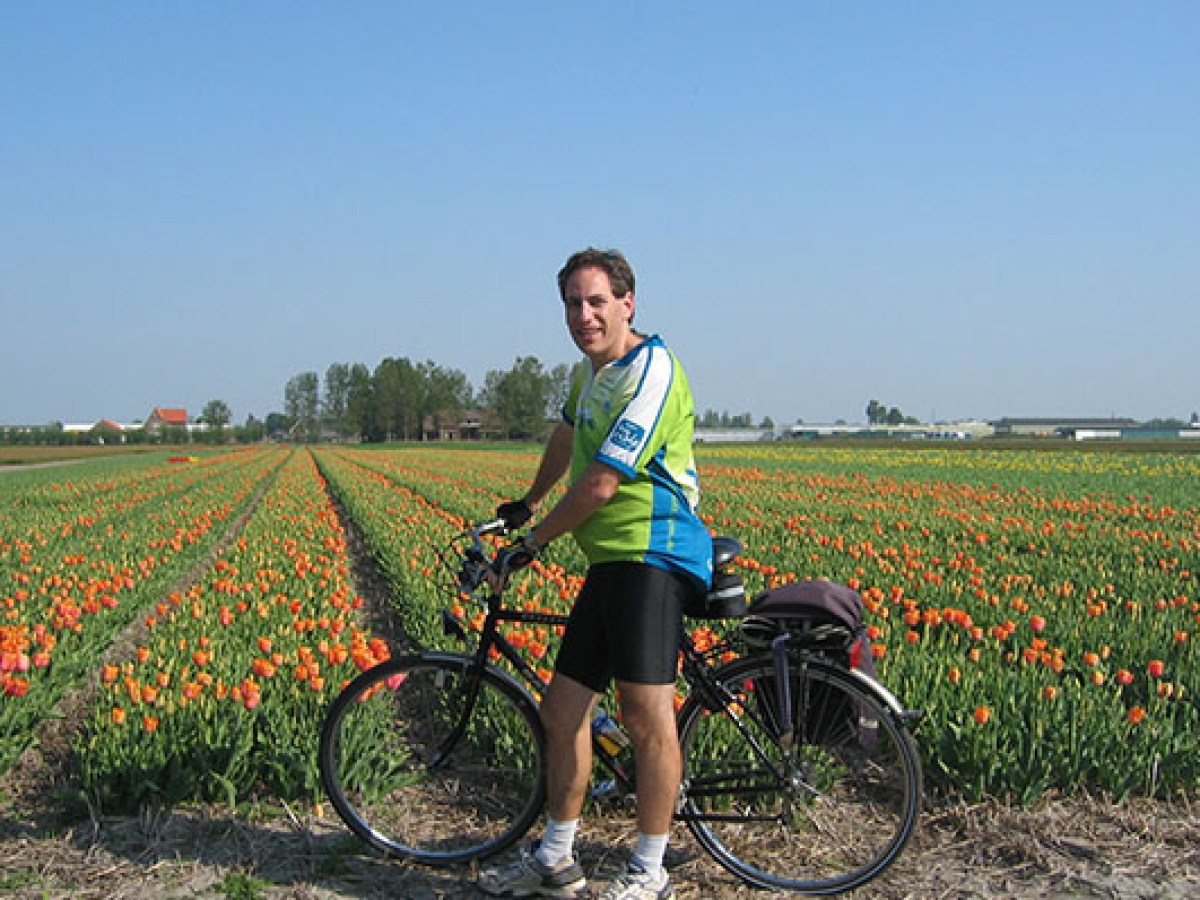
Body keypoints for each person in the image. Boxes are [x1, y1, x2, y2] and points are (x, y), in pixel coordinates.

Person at [478, 248, 712, 900]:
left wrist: (534, 543)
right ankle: (555, 858)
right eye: (573, 304)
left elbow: (603, 482)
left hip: (653, 556)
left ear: (627, 304)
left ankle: (648, 869)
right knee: (563, 711)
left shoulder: (652, 370)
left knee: (644, 716)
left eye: (596, 301)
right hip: (611, 562)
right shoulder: (590, 376)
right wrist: (527, 502)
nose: (584, 315)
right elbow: (565, 436)